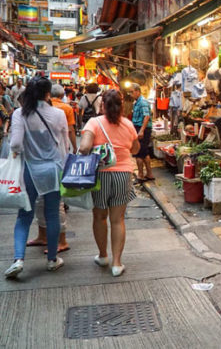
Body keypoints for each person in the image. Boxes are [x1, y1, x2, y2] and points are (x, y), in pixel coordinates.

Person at [4, 76, 69, 278]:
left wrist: (22, 149)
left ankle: (19, 259)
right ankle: (52, 260)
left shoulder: (19, 114)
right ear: (48, 93)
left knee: (24, 216)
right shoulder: (58, 113)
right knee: (52, 215)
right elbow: (65, 145)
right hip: (53, 170)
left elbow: (15, 144)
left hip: (29, 171)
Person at [78, 89, 140, 277]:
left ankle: (103, 255)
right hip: (123, 174)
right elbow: (135, 149)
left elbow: (84, 147)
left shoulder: (94, 123)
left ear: (102, 105)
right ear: (121, 106)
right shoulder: (128, 124)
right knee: (118, 219)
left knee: (99, 216)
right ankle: (117, 263)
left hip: (101, 174)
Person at [25, 84, 74, 255]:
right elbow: (67, 137)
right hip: (49, 165)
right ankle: (44, 236)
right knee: (45, 204)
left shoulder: (26, 113)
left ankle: (62, 240)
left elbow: (64, 138)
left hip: (46, 165)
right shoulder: (61, 110)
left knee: (51, 205)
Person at [130, 83, 153, 182]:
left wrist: (141, 131)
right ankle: (149, 173)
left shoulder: (142, 102)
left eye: (132, 92)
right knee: (144, 152)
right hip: (139, 128)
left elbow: (146, 116)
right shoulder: (137, 102)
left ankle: (140, 174)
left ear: (137, 91)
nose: (131, 94)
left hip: (142, 129)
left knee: (139, 153)